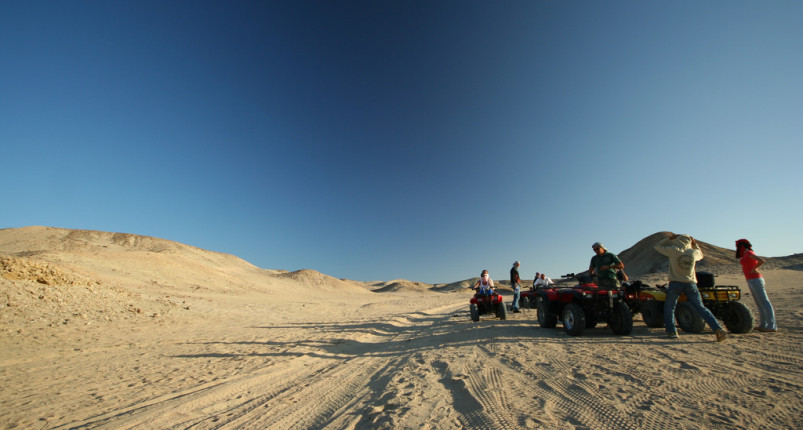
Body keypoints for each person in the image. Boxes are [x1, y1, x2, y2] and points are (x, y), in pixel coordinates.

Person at [654, 233, 728, 342]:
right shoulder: (693, 253)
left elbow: (657, 246)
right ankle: (717, 328)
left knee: (670, 307)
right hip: (691, 283)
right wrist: (695, 244)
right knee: (701, 307)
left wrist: (668, 239)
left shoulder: (673, 250)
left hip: (675, 283)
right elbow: (701, 254)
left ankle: (672, 331)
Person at [736, 239, 777, 332]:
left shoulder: (749, 253)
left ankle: (772, 326)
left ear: (742, 246)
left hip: (756, 279)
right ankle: (763, 325)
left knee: (765, 302)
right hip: (751, 280)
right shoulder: (746, 253)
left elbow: (761, 260)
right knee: (759, 303)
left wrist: (754, 269)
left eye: (738, 245)